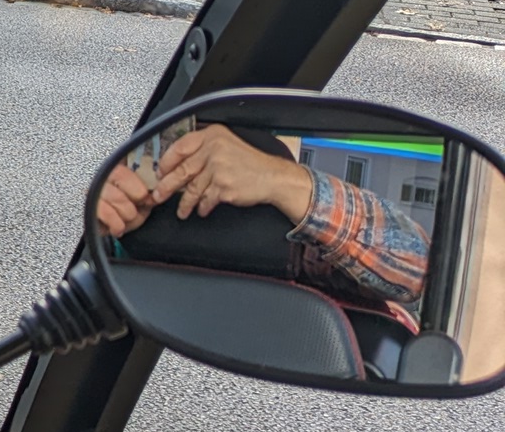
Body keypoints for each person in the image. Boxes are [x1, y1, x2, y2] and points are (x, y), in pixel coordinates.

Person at [97, 123, 429, 315]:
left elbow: (417, 268)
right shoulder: (153, 242)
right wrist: (118, 222)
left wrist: (277, 179)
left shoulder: (306, 254)